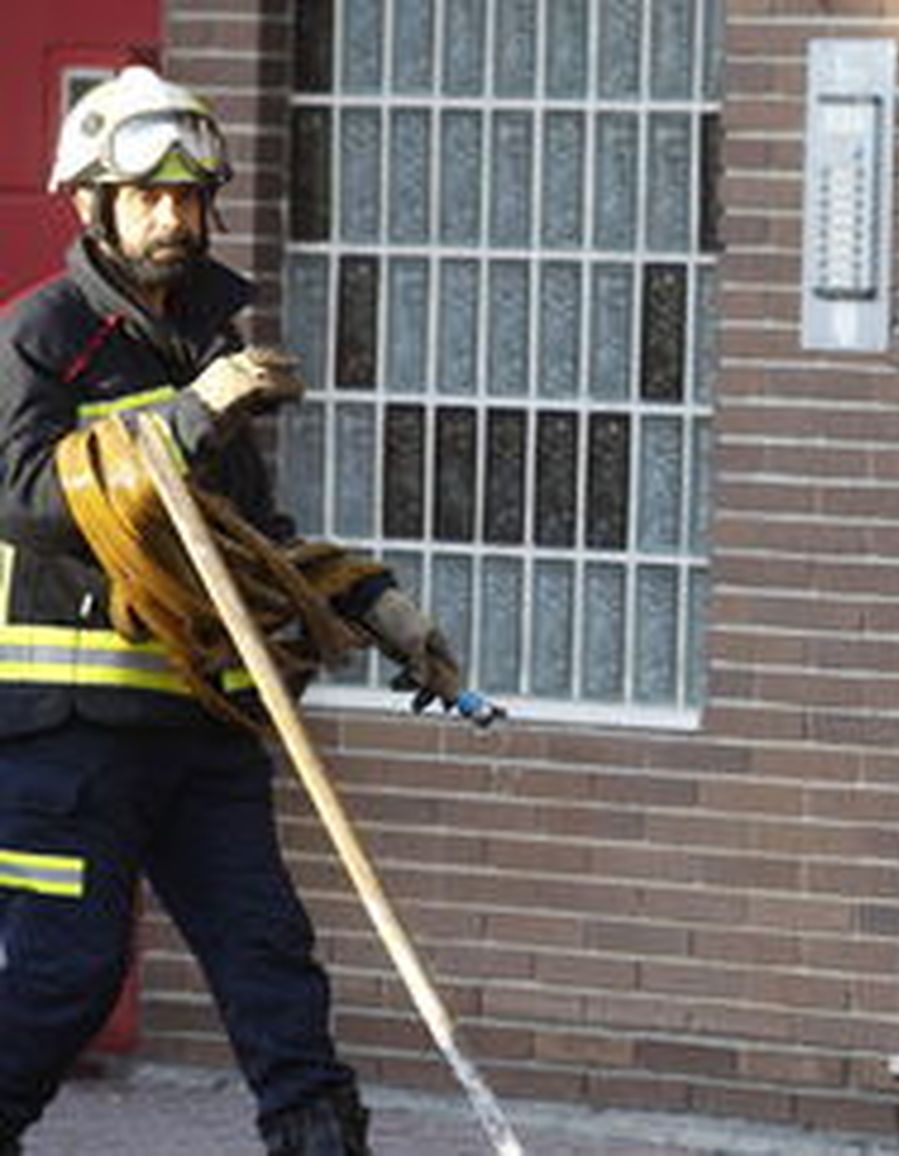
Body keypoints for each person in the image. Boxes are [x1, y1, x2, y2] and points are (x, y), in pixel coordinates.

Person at [0, 66, 462, 1155]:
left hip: (204, 726)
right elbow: (29, 499)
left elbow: (237, 532)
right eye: (149, 196)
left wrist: (373, 600)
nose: (175, 218)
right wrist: (190, 415)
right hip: (64, 737)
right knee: (65, 974)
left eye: (191, 196)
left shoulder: (207, 338)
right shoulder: (40, 335)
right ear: (93, 205)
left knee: (271, 964)